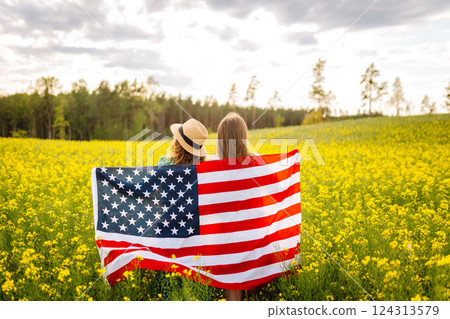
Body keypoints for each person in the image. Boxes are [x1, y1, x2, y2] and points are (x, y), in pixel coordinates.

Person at [212, 112, 258, 301]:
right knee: (254, 280)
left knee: (232, 282)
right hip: (254, 229)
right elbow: (277, 187)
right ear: (243, 135)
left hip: (225, 233)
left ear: (221, 137)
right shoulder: (257, 160)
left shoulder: (212, 166)